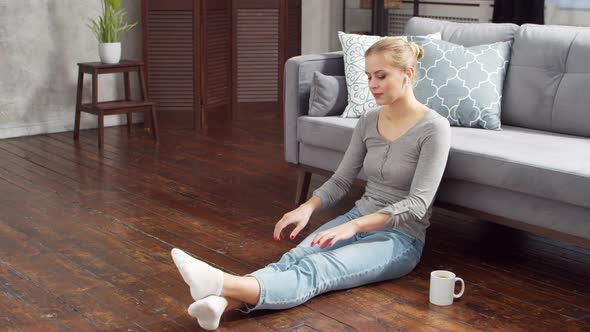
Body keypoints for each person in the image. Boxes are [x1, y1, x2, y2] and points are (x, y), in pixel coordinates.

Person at [171, 37, 451, 330]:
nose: (372, 84)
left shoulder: (434, 128)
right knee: (295, 257)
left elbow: (418, 205)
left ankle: (220, 282)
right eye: (368, 76)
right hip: (357, 217)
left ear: (408, 74)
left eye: (381, 76)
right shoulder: (369, 120)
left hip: (398, 238)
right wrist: (307, 208)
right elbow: (342, 180)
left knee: (316, 269)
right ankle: (220, 303)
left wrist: (355, 226)